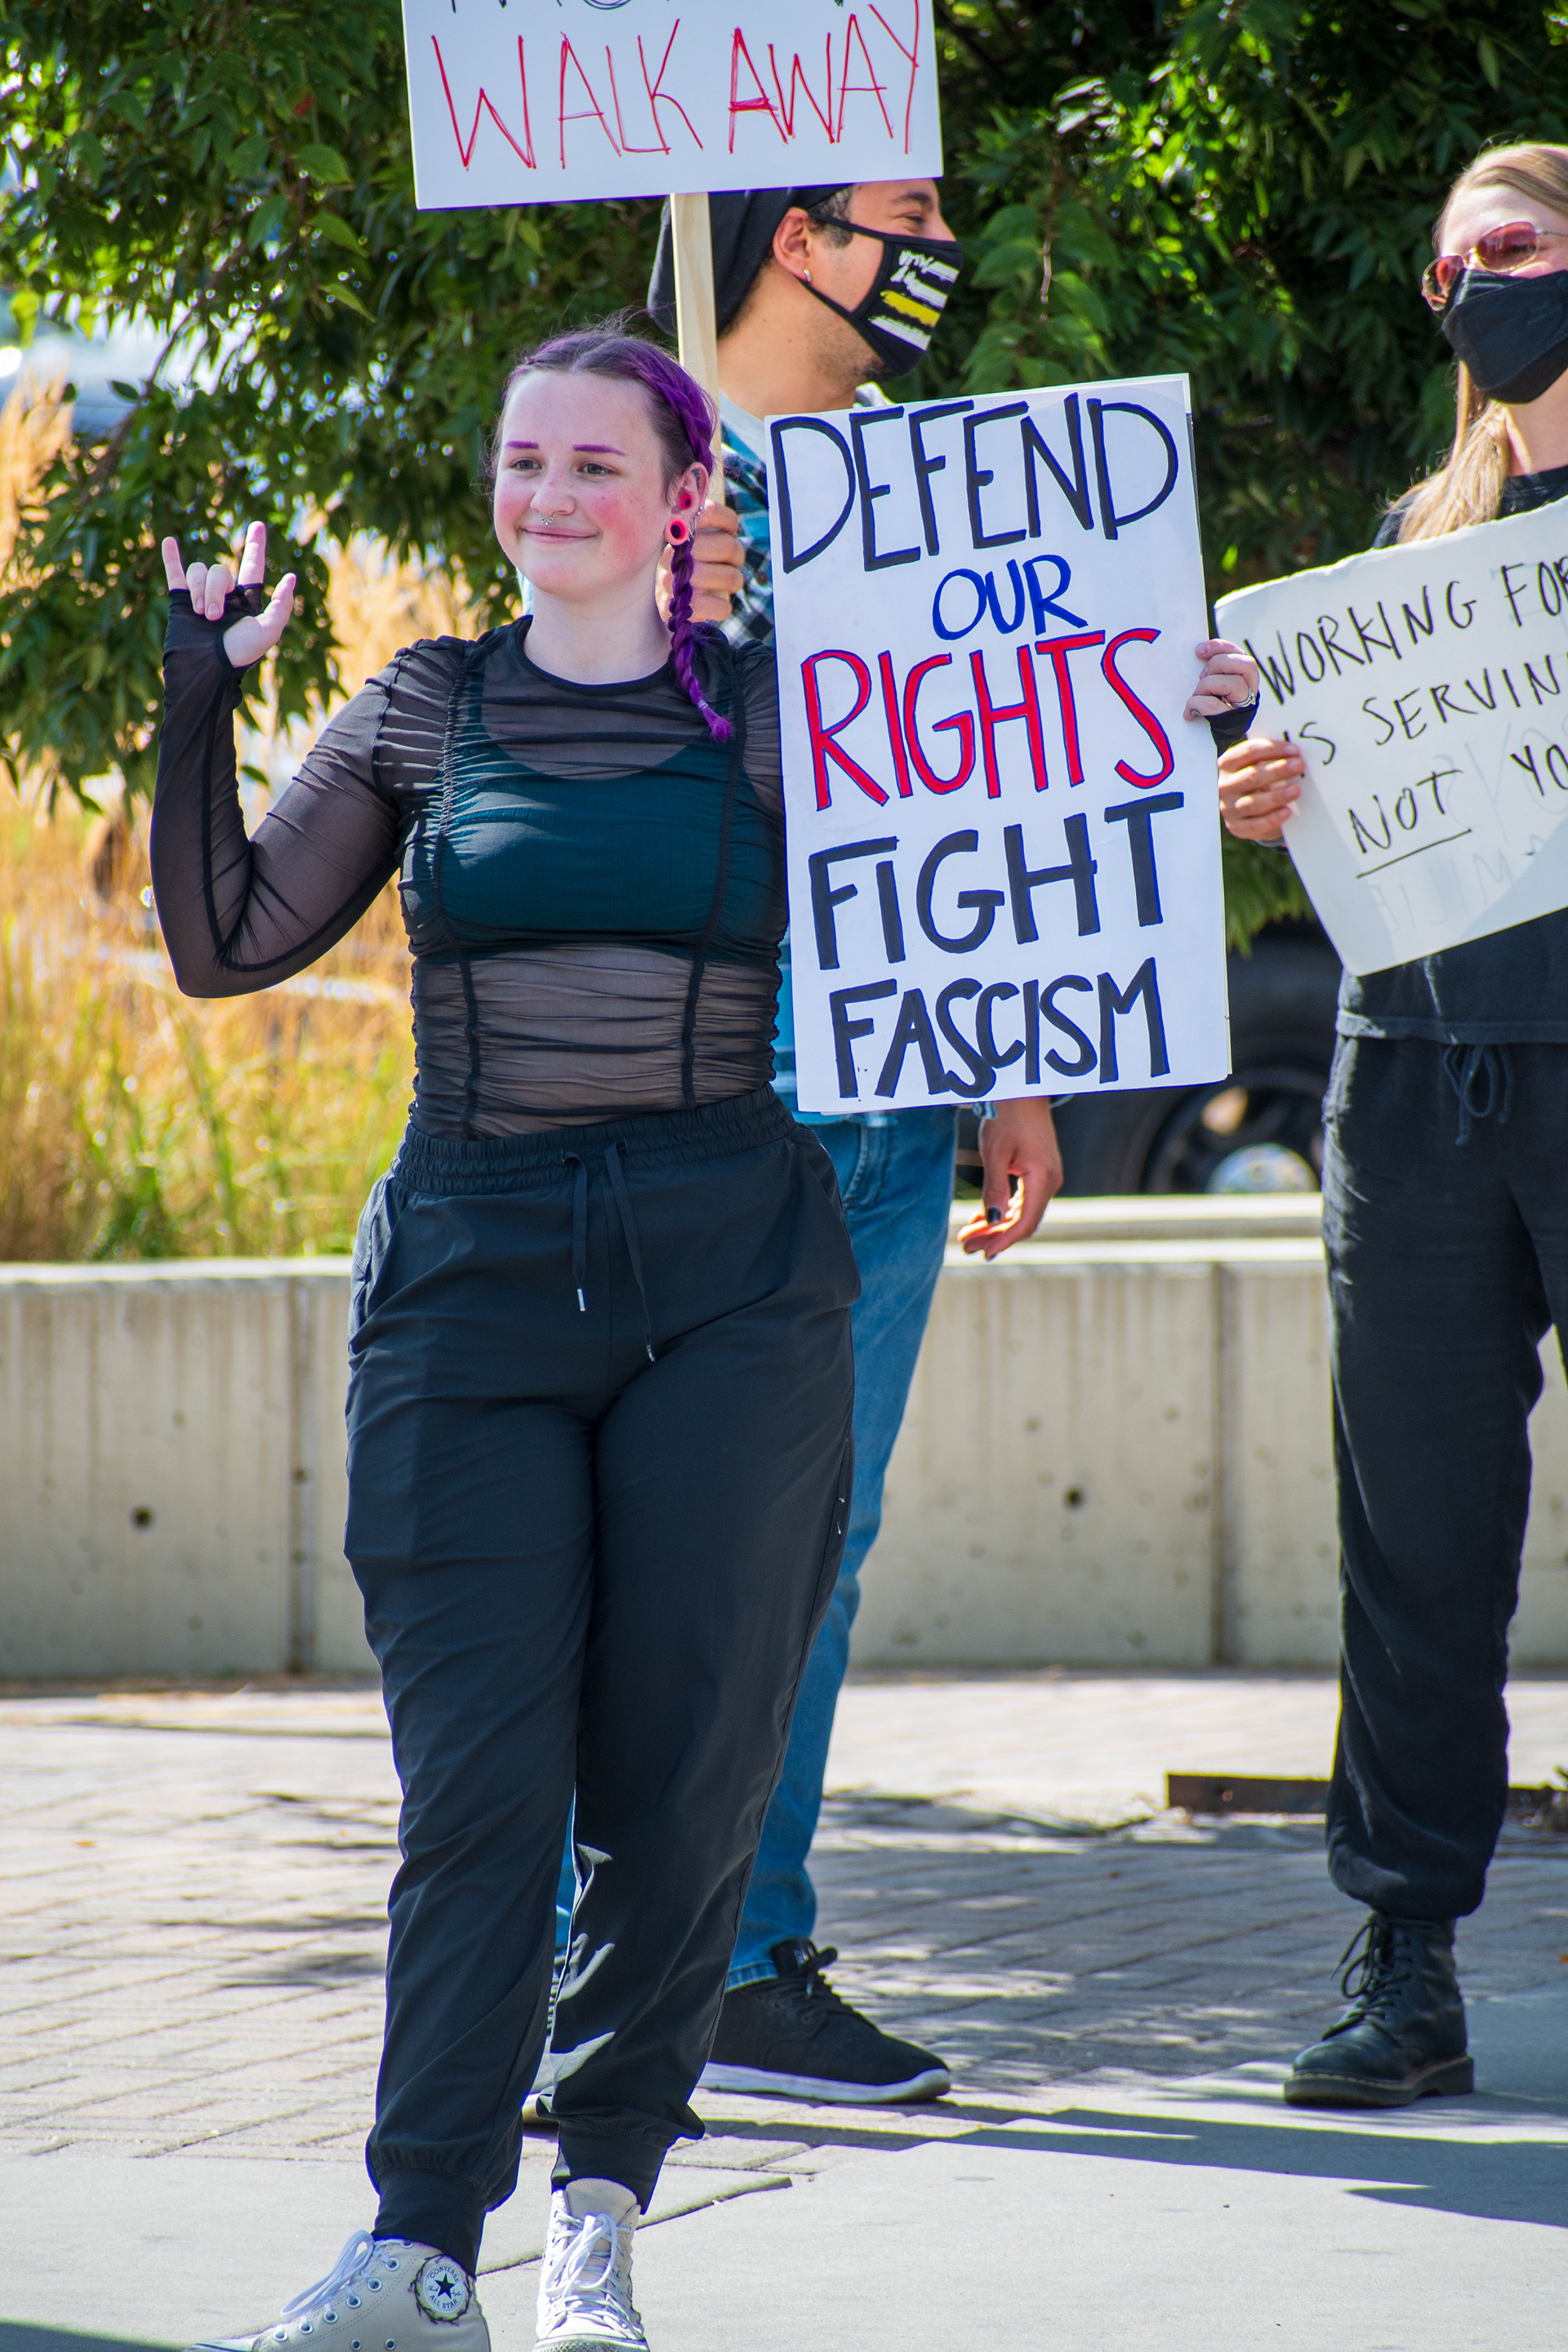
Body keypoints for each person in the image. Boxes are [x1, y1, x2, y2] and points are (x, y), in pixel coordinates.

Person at [160, 328, 860, 2352]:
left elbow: (976, 880)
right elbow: (221, 942)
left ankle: (605, 2219)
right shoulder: (425, 712)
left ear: (679, 499)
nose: (548, 497)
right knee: (478, 1787)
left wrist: (1165, 730)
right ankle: (417, 2248)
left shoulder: (782, 716)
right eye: (520, 463)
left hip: (732, 1283)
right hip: (468, 1286)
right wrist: (202, 683)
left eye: (592, 466)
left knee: (685, 1765)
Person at [532, 182, 1260, 2110]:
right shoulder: (631, 449)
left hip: (891, 1096)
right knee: (646, 1539)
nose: (941, 248)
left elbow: (979, 793)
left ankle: (744, 1961)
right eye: (908, 214)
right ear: (791, 234)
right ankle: (569, 1976)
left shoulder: (937, 488)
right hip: (696, 1083)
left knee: (814, 1548)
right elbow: (543, 754)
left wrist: (1006, 1064)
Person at [1217, 141, 1568, 2110]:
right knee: (1415, 1542)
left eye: (1511, 249)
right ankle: (1405, 1955)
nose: (1477, 288)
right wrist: (1263, 787)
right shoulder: (1406, 554)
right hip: (1414, 1078)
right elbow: (1344, 814)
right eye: (1450, 270)